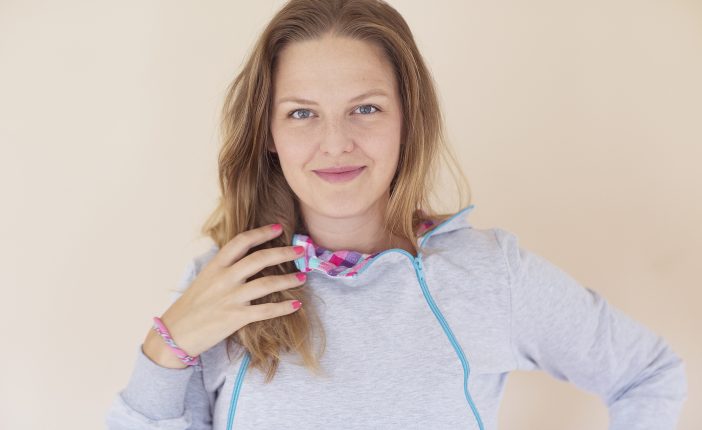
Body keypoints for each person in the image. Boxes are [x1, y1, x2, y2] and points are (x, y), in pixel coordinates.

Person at [105, 0, 688, 428]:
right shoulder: (225, 283)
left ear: (408, 121)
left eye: (365, 108)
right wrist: (167, 346)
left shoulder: (489, 275)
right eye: (302, 113)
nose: (336, 142)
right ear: (268, 135)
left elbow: (648, 374)